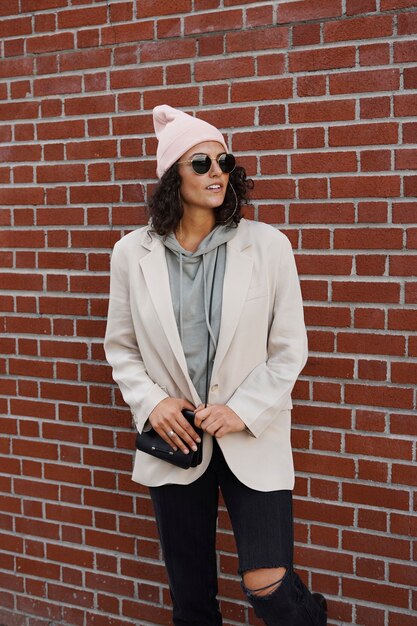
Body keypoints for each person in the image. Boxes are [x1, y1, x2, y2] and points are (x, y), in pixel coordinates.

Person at [104, 104, 327, 626]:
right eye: (200, 163)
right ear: (171, 176)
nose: (217, 173)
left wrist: (242, 410)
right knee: (192, 599)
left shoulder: (268, 246)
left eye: (224, 161)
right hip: (176, 441)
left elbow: (289, 348)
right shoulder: (130, 254)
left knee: (268, 586)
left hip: (252, 434)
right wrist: (152, 402)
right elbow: (121, 347)